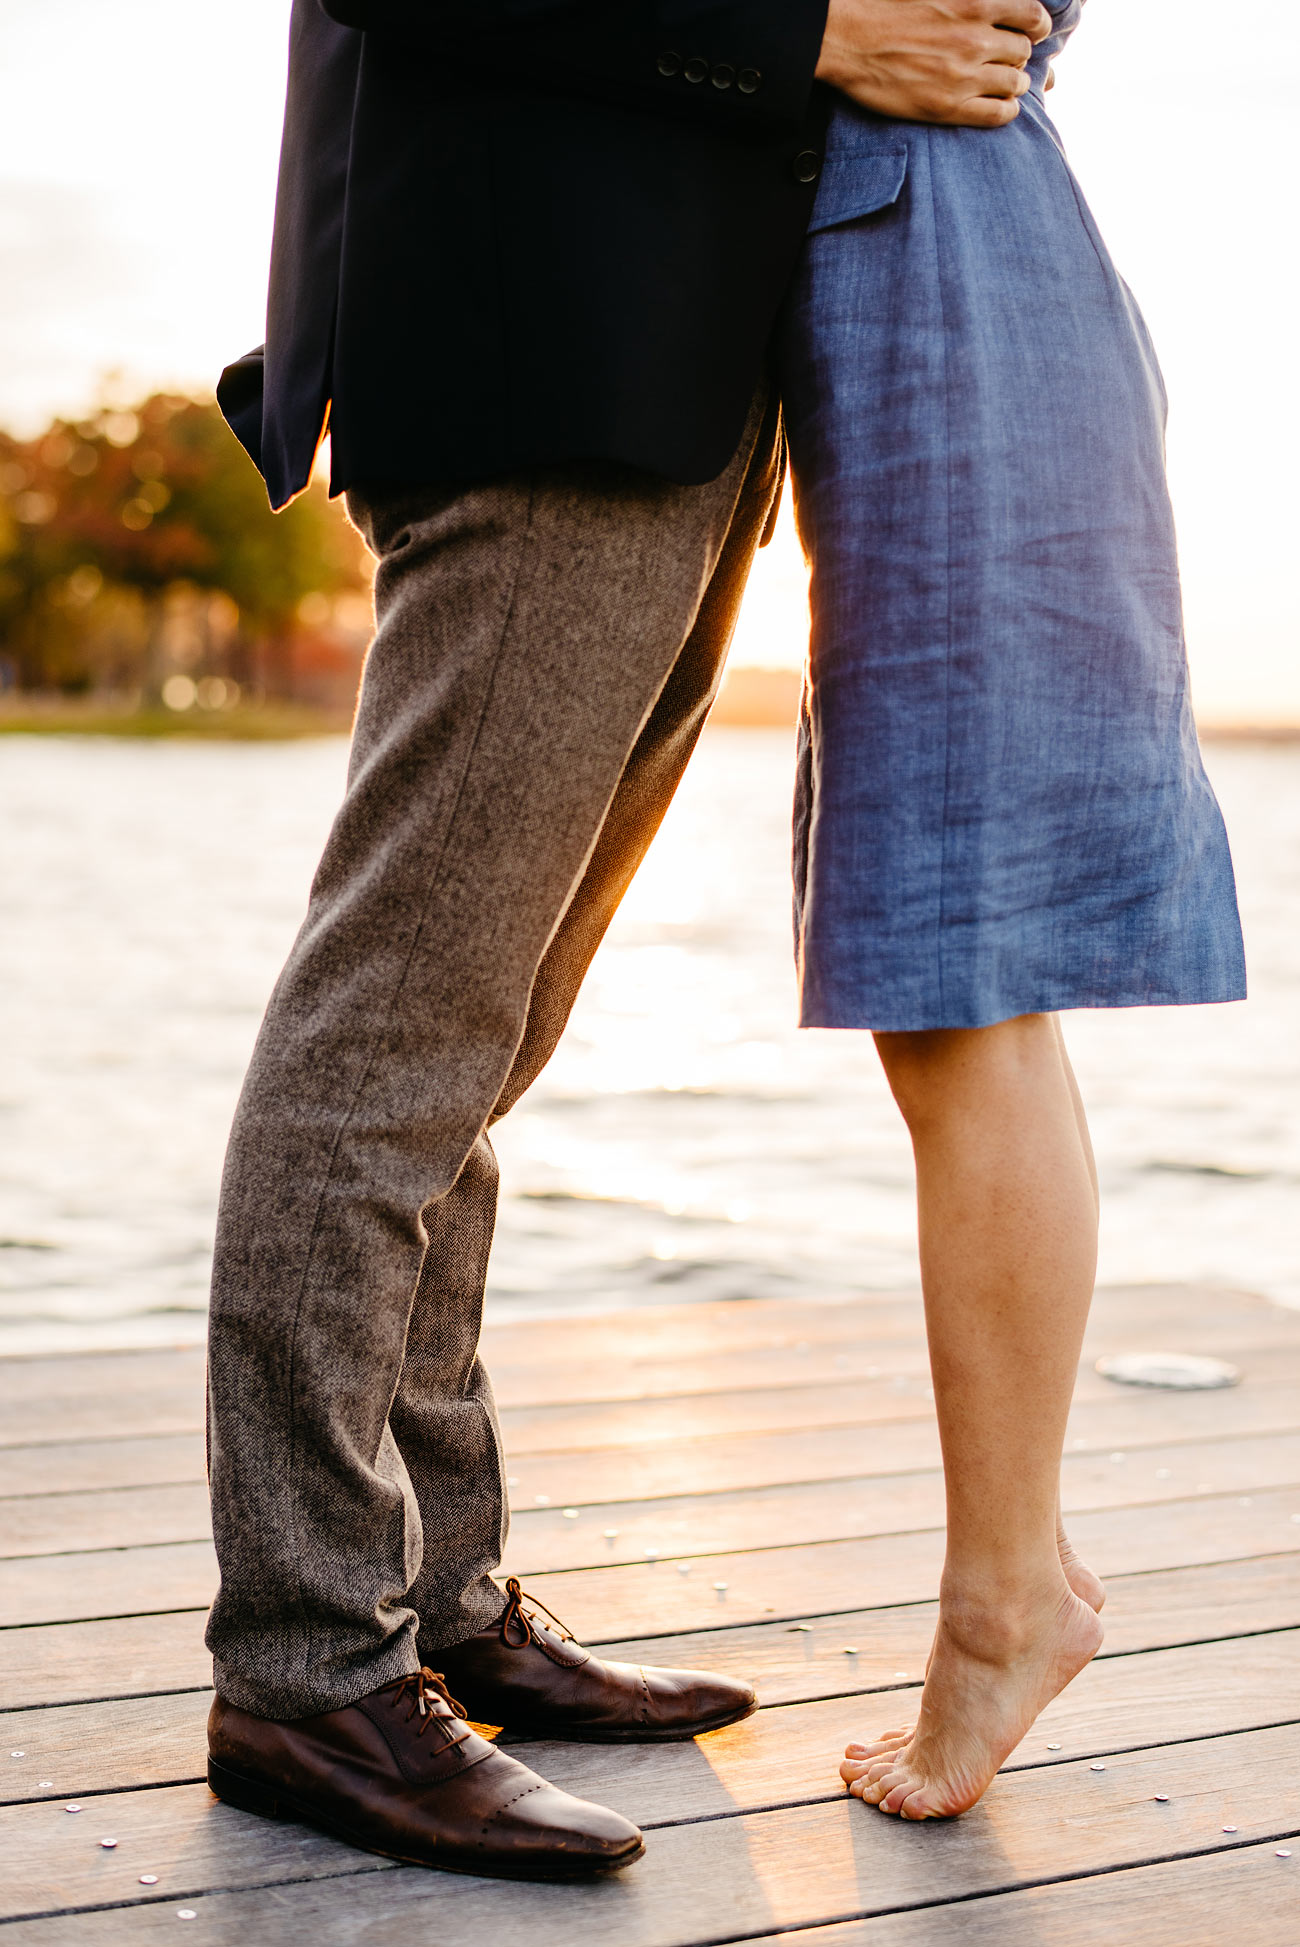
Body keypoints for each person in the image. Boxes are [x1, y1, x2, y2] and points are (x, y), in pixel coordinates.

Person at [206, 0, 1058, 1882]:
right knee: (396, 1038)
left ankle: (431, 1599)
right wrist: (814, 33)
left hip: (673, 386)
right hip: (539, 353)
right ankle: (302, 1659)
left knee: (474, 1050)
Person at [773, 0, 1246, 1821]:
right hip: (922, 280)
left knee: (964, 982)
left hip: (948, 282)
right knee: (947, 985)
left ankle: (1004, 1605)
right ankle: (1012, 1586)